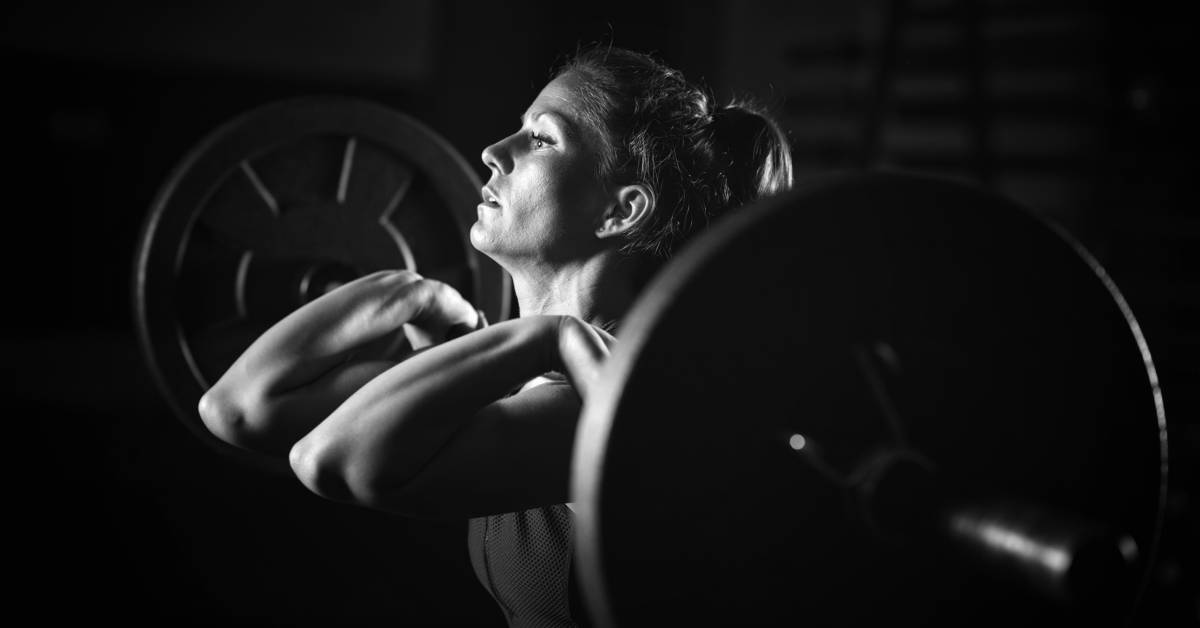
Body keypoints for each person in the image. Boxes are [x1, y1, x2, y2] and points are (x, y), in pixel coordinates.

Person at [197, 45, 793, 628]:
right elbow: (241, 407)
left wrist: (548, 336)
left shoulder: (597, 406)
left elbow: (332, 460)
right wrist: (407, 292)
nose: (492, 152)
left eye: (541, 138)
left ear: (620, 212)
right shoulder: (525, 377)